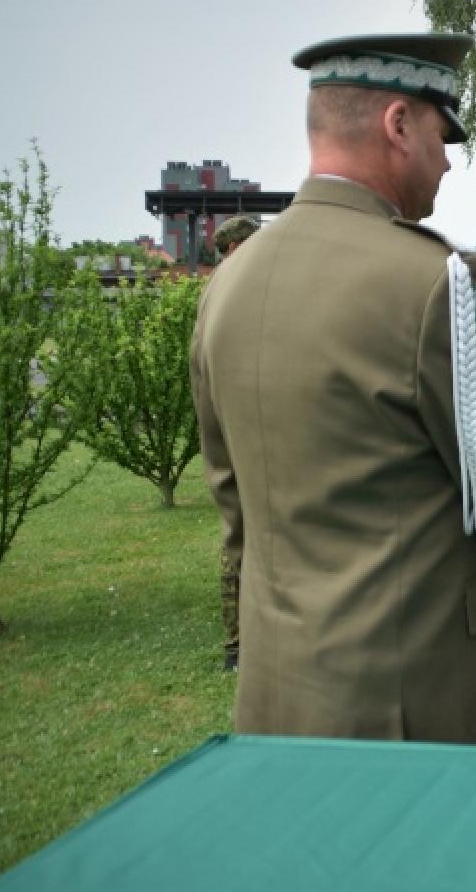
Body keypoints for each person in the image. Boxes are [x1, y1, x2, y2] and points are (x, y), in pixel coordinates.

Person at [190, 32, 476, 744]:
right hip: (406, 693)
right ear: (398, 125)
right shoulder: (439, 283)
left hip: (273, 691)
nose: (449, 160)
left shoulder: (229, 286)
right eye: (440, 133)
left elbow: (233, 496)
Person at [213, 214, 261, 672]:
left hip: (245, 424)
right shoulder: (225, 294)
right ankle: (237, 643)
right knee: (239, 534)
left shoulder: (228, 291)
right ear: (232, 248)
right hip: (238, 426)